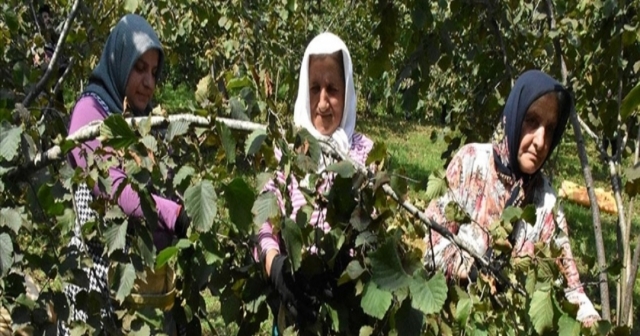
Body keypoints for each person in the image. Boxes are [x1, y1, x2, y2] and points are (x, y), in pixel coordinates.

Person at [422, 70, 600, 326]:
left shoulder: (545, 201)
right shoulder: (472, 164)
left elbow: (570, 286)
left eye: (549, 129)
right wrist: (471, 271)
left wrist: (593, 322)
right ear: (514, 117)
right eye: (532, 121)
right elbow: (431, 244)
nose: (540, 141)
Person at [58, 14, 189, 336]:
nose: (148, 82)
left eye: (154, 73)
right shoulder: (90, 111)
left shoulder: (141, 125)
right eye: (140, 68)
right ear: (119, 62)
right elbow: (113, 187)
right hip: (91, 283)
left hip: (132, 288)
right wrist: (175, 215)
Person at [257, 32, 374, 334]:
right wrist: (277, 268)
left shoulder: (364, 154)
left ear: (347, 93)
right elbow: (264, 222)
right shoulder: (286, 153)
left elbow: (375, 227)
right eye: (315, 88)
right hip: (296, 309)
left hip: (345, 311)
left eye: (333, 89)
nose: (323, 102)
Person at [35, 4, 67, 106]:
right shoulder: (38, 42)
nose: (48, 19)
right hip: (44, 90)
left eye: (49, 16)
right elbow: (39, 65)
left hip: (57, 88)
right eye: (45, 17)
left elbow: (63, 65)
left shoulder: (56, 42)